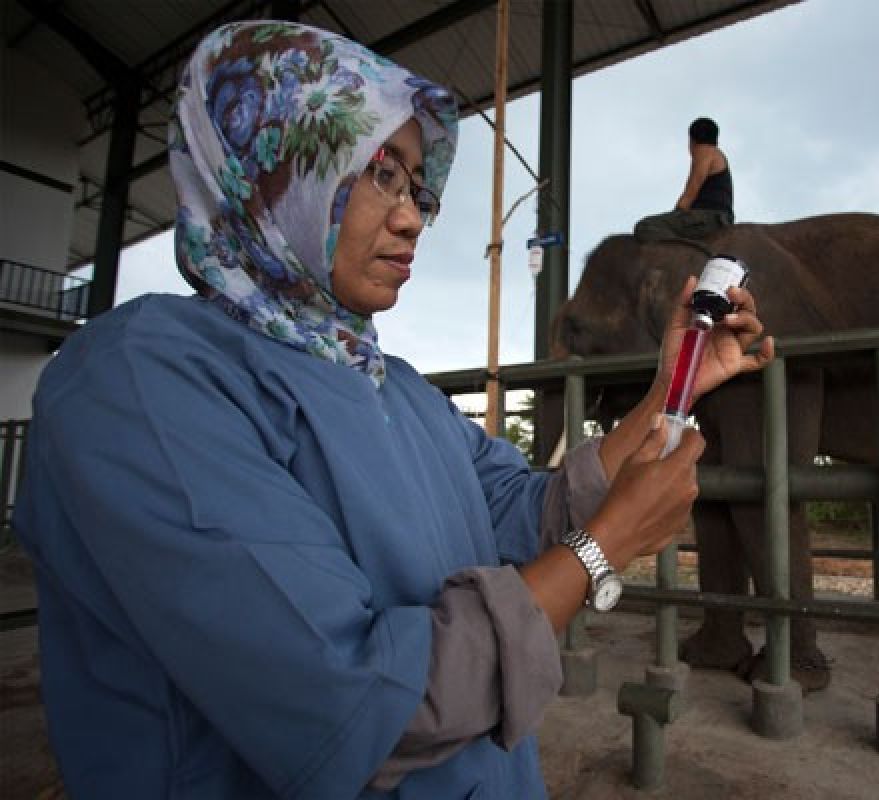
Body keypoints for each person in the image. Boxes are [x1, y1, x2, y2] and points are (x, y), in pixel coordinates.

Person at [12, 21, 775, 800]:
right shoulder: (138, 383)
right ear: (271, 161)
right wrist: (602, 548)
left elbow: (526, 509)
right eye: (378, 171)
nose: (411, 216)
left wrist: (672, 384)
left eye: (417, 186)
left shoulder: (394, 385)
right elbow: (355, 705)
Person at [633, 116, 735, 243]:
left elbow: (689, 195)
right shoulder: (716, 154)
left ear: (692, 140)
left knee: (646, 226)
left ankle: (683, 252)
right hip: (718, 218)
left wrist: (676, 215)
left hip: (709, 218)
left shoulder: (704, 151)